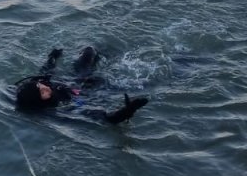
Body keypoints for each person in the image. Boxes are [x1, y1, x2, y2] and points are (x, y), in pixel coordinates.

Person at [14, 47, 149, 125]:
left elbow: (46, 71)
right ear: (39, 100)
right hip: (91, 93)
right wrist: (128, 110)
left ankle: (112, 54)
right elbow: (107, 119)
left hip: (77, 79)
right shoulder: (62, 109)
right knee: (132, 85)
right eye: (43, 92)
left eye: (41, 85)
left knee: (89, 51)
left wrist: (53, 57)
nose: (47, 87)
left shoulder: (41, 84)